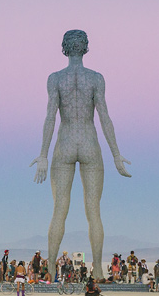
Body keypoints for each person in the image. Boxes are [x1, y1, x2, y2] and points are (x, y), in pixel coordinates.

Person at [31, 30, 132, 281]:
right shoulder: (95, 78)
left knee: (59, 210)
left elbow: (50, 117)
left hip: (65, 142)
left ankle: (52, 269)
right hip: (88, 141)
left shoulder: (55, 78)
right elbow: (104, 117)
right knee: (93, 211)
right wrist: (116, 154)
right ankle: (97, 268)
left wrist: (44, 154)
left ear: (64, 48)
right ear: (85, 47)